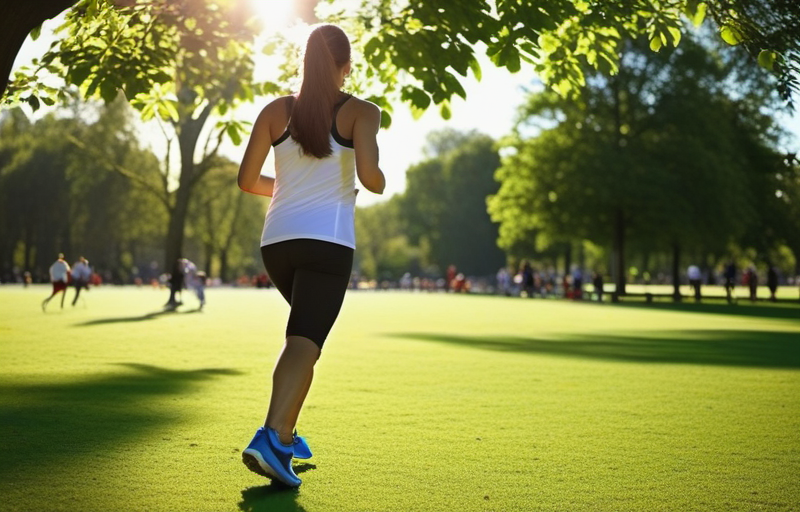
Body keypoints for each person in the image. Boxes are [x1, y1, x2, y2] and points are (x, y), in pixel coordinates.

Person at [237, 24, 385, 488]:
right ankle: (273, 437)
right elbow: (372, 178)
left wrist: (287, 189)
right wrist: (373, 174)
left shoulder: (275, 111)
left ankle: (289, 430)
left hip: (276, 244)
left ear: (306, 63)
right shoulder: (363, 112)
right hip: (328, 244)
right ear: (345, 67)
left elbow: (247, 180)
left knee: (308, 337)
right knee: (304, 340)